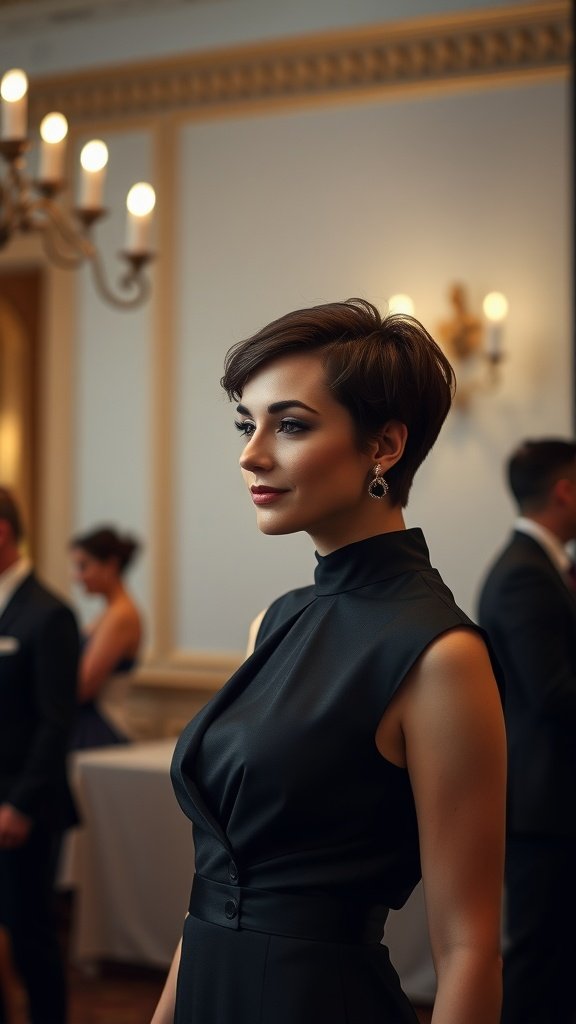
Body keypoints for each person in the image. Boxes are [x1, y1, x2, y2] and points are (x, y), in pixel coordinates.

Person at [152, 298, 506, 1024]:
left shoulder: (440, 653)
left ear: (385, 446)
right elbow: (218, 879)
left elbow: (470, 945)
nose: (252, 453)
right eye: (246, 424)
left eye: (290, 424)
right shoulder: (278, 620)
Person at [477, 439, 576, 1024]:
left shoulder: (544, 569)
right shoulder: (524, 576)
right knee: (540, 960)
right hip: (543, 806)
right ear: (564, 490)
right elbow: (554, 695)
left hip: (554, 803)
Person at [0, 486, 79, 1024]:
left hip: (23, 807)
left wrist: (21, 805)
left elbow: (56, 722)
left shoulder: (48, 614)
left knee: (30, 936)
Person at [68, 525, 142, 749]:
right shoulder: (110, 613)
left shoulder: (121, 616)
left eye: (83, 566)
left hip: (101, 727)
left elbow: (84, 686)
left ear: (110, 565)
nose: (77, 577)